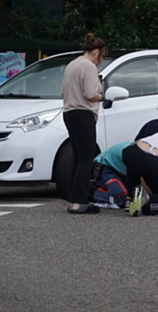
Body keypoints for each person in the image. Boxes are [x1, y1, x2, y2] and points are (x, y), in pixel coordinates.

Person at [61, 33, 107, 214]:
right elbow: (90, 94)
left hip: (69, 112)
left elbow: (62, 91)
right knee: (86, 158)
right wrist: (102, 95)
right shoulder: (88, 66)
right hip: (83, 113)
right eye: (101, 56)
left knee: (78, 158)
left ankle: (73, 199)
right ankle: (80, 202)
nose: (100, 61)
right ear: (97, 52)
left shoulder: (72, 64)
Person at [92, 141, 132, 207]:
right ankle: (92, 193)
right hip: (105, 167)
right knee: (122, 198)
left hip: (121, 171)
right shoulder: (134, 153)